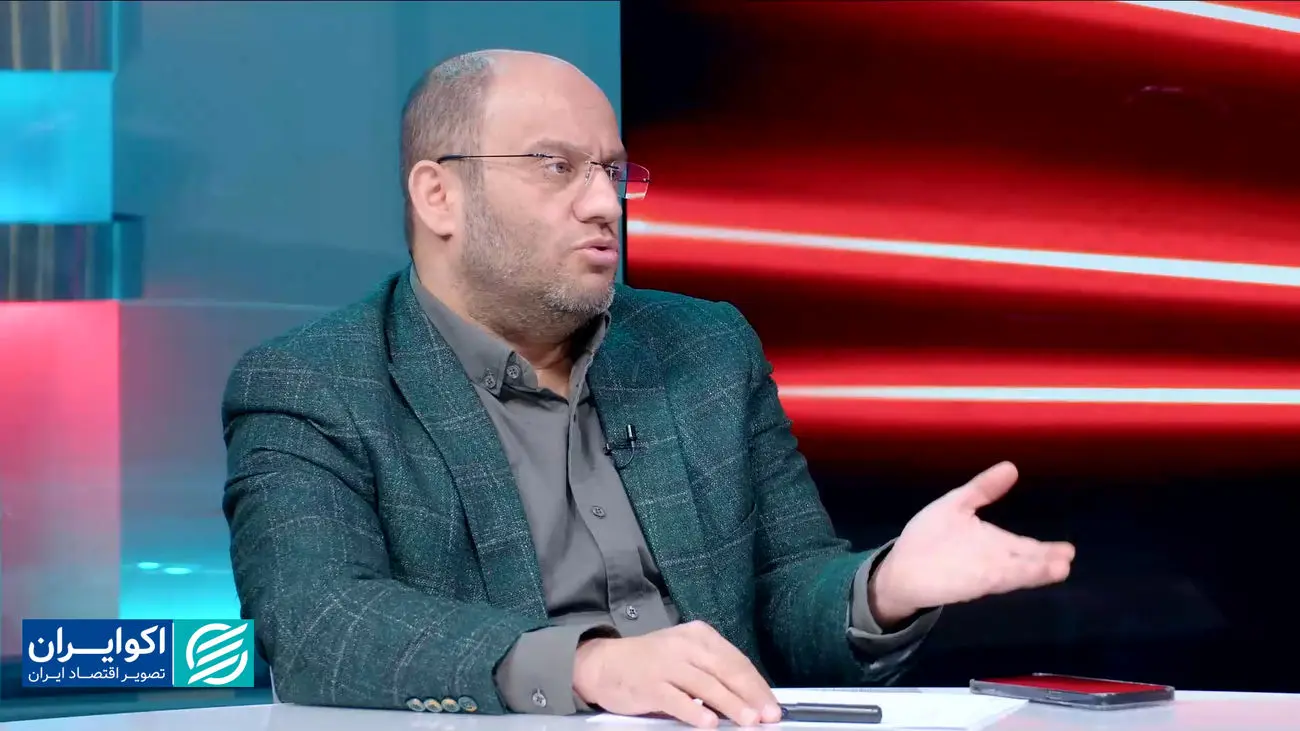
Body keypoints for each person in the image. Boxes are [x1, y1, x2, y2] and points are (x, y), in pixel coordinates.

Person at [221, 49, 1075, 727]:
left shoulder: (706, 347)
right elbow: (318, 621)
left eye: (613, 171)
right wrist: (589, 664)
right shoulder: (314, 383)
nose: (605, 204)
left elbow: (785, 589)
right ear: (438, 195)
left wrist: (882, 587)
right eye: (557, 166)